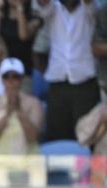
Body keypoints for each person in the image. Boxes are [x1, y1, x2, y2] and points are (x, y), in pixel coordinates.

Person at [35, 0, 100, 141]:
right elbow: (43, 3)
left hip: (85, 84)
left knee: (86, 136)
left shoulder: (89, 9)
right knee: (59, 136)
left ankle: (86, 164)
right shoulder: (53, 9)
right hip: (58, 83)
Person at [0, 57, 43, 154]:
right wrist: (7, 113)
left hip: (26, 161)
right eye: (6, 76)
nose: (10, 80)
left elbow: (33, 137)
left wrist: (19, 111)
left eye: (15, 76)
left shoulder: (34, 103)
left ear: (22, 79)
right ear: (1, 79)